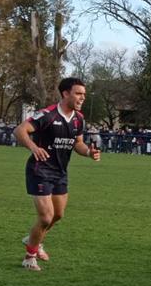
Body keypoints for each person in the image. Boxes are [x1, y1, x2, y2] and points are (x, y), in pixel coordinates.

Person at [14, 77, 101, 271]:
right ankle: (29, 257)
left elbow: (78, 143)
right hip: (40, 170)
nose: (82, 98)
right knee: (46, 217)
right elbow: (20, 130)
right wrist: (34, 147)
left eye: (84, 95)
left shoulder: (78, 119)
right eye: (78, 94)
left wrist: (88, 152)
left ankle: (34, 239)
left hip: (60, 172)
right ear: (65, 94)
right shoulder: (47, 115)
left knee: (58, 215)